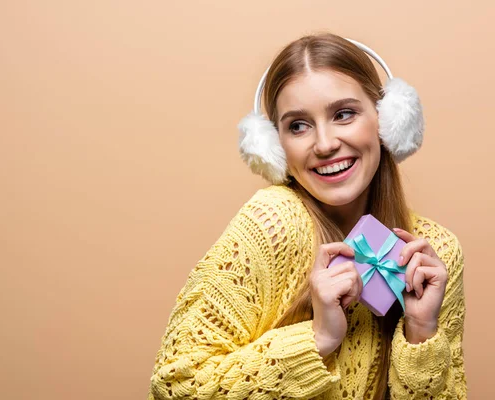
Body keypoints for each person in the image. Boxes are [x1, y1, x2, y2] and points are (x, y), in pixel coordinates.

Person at [147, 32, 466, 400]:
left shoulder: (435, 255)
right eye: (298, 125)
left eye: (343, 114)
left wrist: (421, 331)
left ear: (387, 121)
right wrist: (319, 339)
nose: (325, 144)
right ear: (274, 148)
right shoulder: (271, 226)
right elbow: (175, 387)